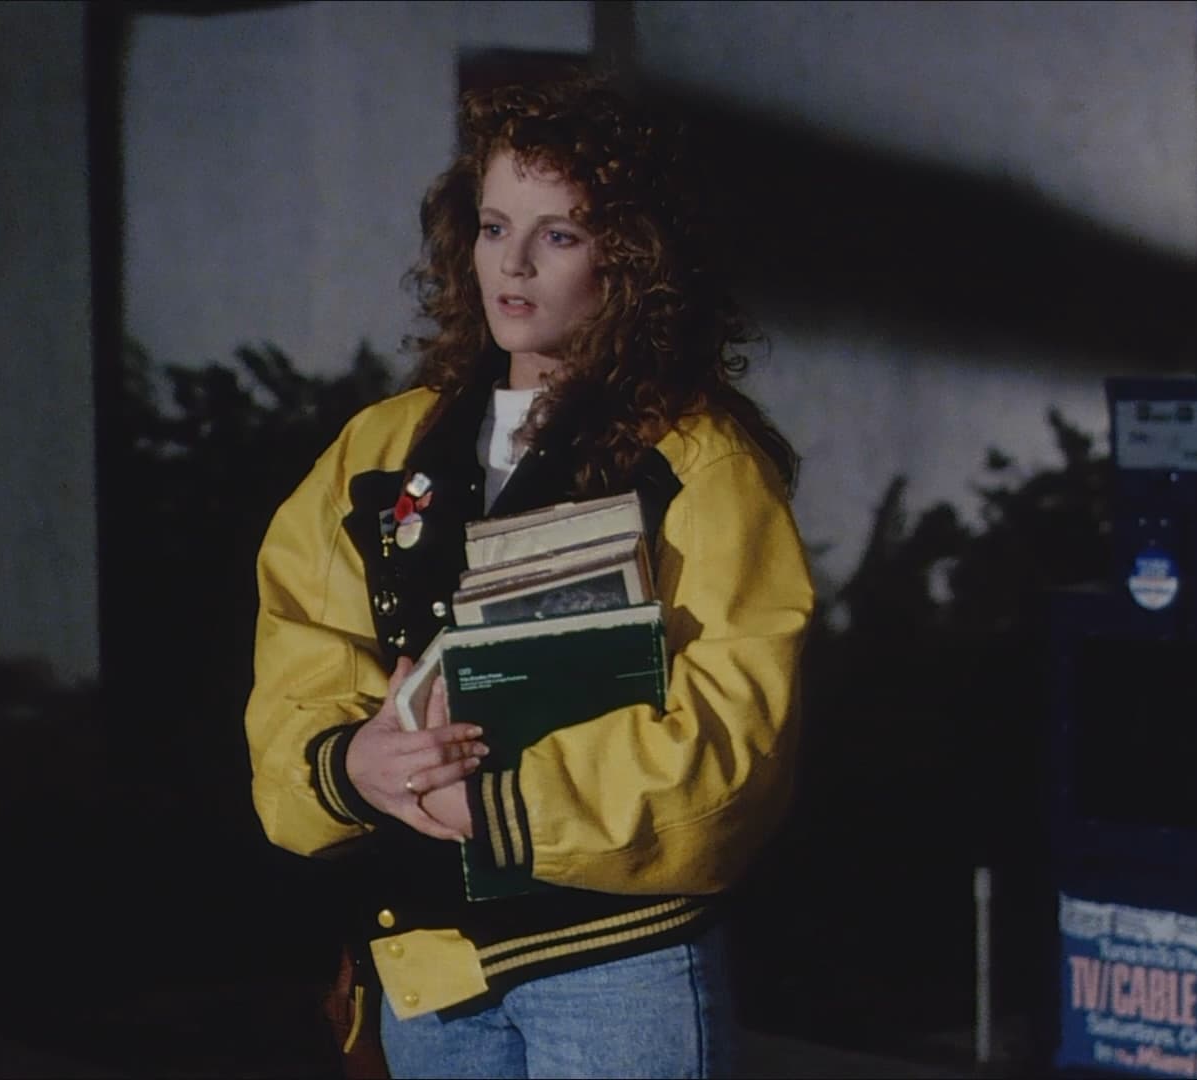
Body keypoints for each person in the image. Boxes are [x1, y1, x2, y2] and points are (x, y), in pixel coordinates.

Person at [243, 75, 814, 1079]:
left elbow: (736, 738)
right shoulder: (382, 449)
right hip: (428, 973)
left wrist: (507, 806)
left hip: (618, 968)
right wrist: (350, 763)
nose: (511, 264)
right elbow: (304, 646)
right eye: (494, 226)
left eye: (559, 234)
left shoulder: (699, 462)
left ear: (633, 261)